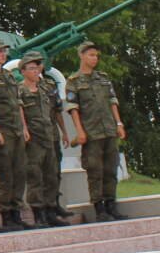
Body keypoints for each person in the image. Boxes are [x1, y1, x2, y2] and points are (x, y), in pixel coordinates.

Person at [65, 41, 126, 220]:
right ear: (82, 56)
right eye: (91, 55)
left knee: (111, 169)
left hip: (109, 130)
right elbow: (73, 108)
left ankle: (111, 205)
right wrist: (80, 131)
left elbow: (112, 102)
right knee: (95, 171)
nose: (95, 59)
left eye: (96, 56)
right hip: (91, 133)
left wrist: (119, 124)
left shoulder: (103, 78)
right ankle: (99, 209)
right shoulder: (73, 81)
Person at [0, 38, 33, 229]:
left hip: (17, 129)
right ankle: (6, 215)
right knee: (5, 173)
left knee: (19, 172)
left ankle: (17, 213)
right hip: (3, 130)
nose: (3, 54)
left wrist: (24, 127)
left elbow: (18, 104)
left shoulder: (9, 76)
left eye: (3, 51)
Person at [18, 51, 70, 227]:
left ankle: (50, 211)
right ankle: (38, 214)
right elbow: (19, 112)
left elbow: (54, 112)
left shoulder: (44, 88)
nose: (35, 71)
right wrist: (24, 129)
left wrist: (63, 131)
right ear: (23, 71)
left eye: (36, 67)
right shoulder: (20, 90)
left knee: (51, 176)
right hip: (33, 140)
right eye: (31, 68)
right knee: (35, 176)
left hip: (49, 137)